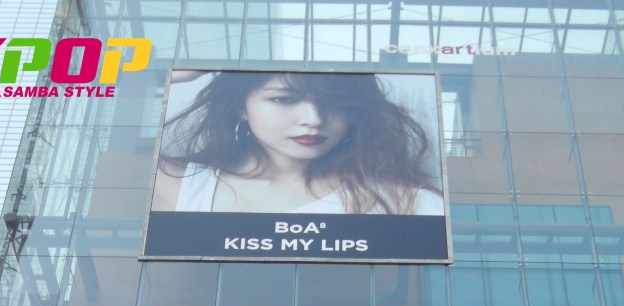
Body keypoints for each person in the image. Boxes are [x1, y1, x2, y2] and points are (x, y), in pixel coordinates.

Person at [153, 71, 445, 216]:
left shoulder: (407, 202)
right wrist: (168, 70)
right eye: (284, 99)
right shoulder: (177, 183)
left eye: (335, 103)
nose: (314, 119)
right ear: (241, 106)